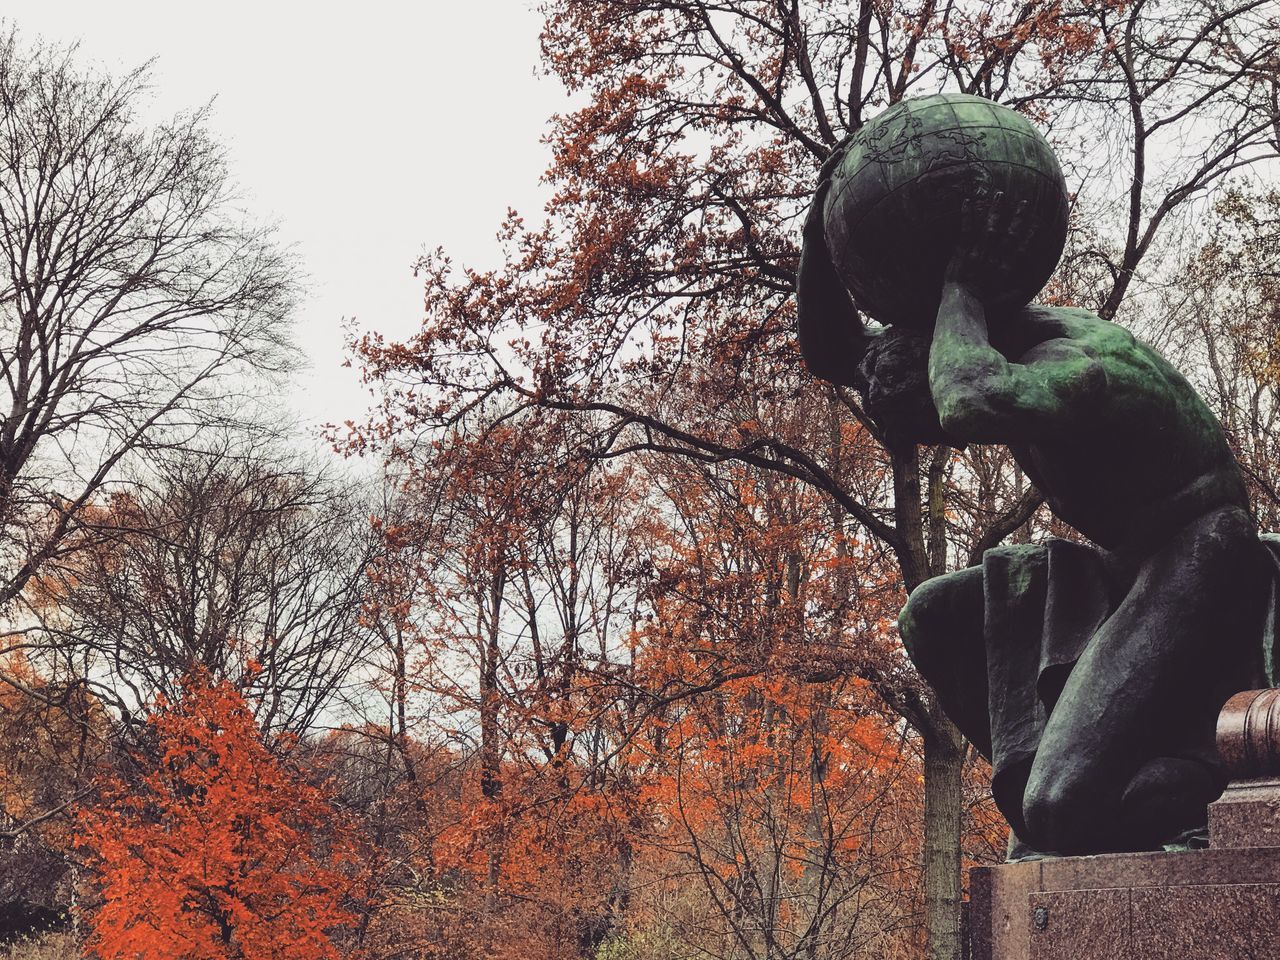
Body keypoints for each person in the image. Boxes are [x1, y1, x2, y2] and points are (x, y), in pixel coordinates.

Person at [797, 170, 1276, 856]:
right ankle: (1070, 778)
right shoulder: (983, 354)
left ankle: (1190, 783)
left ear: (951, 354)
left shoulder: (1072, 365)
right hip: (1121, 562)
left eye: (924, 416)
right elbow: (834, 353)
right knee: (931, 615)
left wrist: (961, 282)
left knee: (1056, 810)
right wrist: (820, 223)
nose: (940, 433)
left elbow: (967, 399)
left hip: (1200, 550)